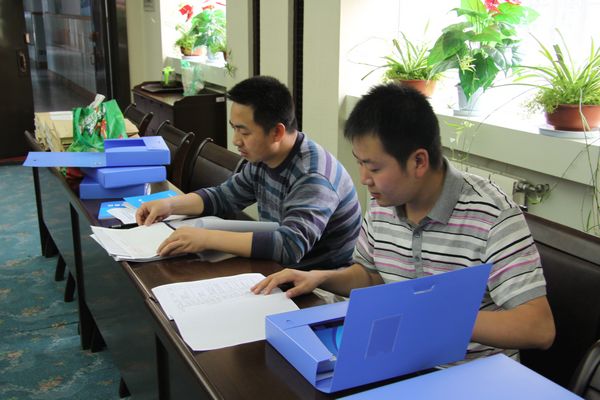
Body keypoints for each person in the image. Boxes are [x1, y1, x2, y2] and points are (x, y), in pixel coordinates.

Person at [252, 83, 555, 359]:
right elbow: (373, 275)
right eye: (360, 163)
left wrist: (425, 317)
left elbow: (538, 328)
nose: (364, 178)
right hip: (400, 359)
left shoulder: (491, 215)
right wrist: (320, 277)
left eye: (374, 167)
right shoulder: (385, 201)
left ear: (418, 161)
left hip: (470, 372)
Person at [136, 76, 362, 270]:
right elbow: (223, 197)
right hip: (279, 270)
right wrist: (169, 205)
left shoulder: (313, 175)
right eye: (234, 128)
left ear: (277, 132)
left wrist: (207, 238)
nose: (236, 140)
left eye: (244, 132)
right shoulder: (264, 158)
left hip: (318, 287)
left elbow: (289, 246)